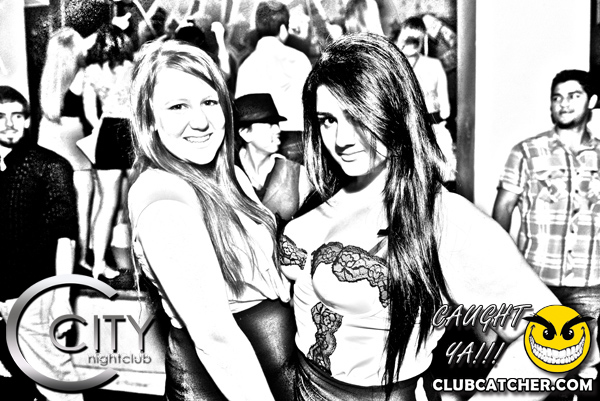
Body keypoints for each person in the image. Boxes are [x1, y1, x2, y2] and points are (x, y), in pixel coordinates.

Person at [279, 33, 564, 400]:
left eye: (358, 116)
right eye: (327, 120)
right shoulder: (318, 195)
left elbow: (557, 339)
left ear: (395, 112)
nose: (342, 139)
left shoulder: (441, 217)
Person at [127, 40, 296, 401]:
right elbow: (216, 338)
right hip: (225, 386)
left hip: (271, 369)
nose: (201, 122)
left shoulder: (226, 174)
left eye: (209, 102)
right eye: (178, 107)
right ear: (149, 120)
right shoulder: (163, 197)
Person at [492, 69, 600, 382]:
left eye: (573, 96)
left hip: (589, 283)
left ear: (592, 101)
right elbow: (504, 208)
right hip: (536, 279)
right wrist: (501, 265)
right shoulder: (526, 152)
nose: (563, 103)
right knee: (534, 367)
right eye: (557, 97)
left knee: (582, 370)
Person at [0, 86, 83, 401]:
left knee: (57, 382)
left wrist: (62, 298)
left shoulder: (50, 167)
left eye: (16, 116)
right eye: (0, 117)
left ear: (27, 120)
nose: (9, 124)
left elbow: (66, 238)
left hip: (32, 295)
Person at [38, 27, 95, 270]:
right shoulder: (82, 74)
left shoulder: (48, 76)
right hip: (73, 137)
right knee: (83, 204)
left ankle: (54, 257)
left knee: (54, 204)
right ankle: (80, 258)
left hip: (47, 133)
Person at [83, 23, 135, 280]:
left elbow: (90, 113)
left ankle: (98, 264)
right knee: (136, 201)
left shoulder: (91, 71)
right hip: (130, 130)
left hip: (107, 131)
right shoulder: (133, 68)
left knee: (106, 204)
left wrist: (102, 129)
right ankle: (142, 264)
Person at [235, 0, 312, 164]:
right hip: (298, 139)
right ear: (283, 28)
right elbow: (311, 102)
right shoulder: (299, 59)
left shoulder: (246, 66)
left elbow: (242, 113)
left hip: (261, 144)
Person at [393, 16, 456, 185]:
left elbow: (445, 109)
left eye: (415, 38)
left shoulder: (433, 65)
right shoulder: (395, 68)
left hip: (432, 127)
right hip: (407, 131)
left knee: (439, 176)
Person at [235, 93, 312, 223]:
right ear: (246, 133)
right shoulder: (226, 173)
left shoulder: (298, 174)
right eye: (270, 123)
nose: (277, 129)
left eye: (276, 123)